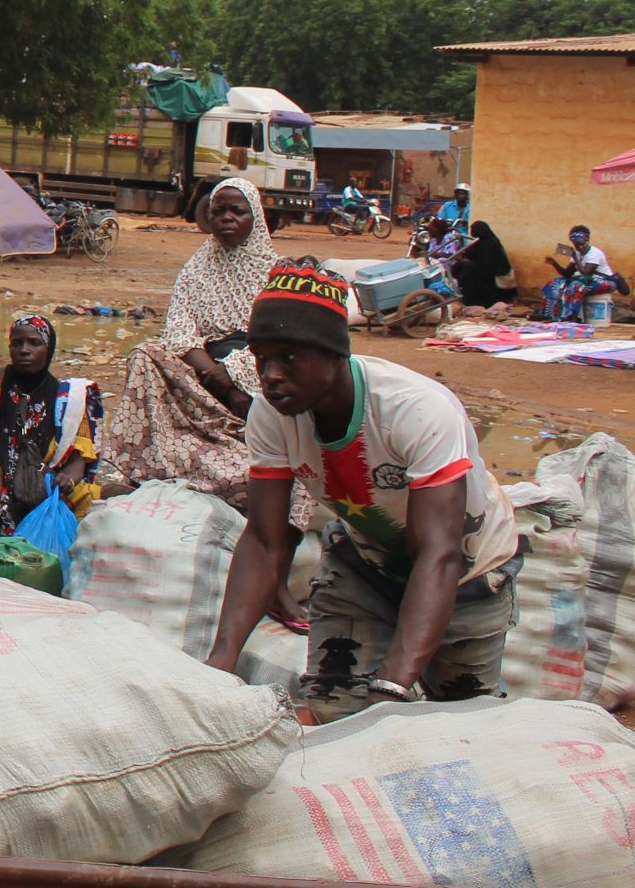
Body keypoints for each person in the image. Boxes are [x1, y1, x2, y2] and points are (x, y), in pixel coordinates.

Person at [206, 262, 520, 721]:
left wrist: (391, 687)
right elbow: (266, 541)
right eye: (261, 358)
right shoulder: (272, 416)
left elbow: (439, 554)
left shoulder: (414, 410)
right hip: (367, 565)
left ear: (335, 354)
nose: (270, 375)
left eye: (289, 357)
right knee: (335, 709)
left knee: (461, 719)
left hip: (466, 571)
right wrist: (220, 663)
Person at [109, 178, 319, 531]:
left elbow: (281, 338)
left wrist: (234, 375)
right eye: (218, 211)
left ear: (256, 218)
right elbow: (178, 331)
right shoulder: (195, 270)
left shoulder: (279, 273)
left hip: (257, 372)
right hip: (204, 374)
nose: (226, 218)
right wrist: (215, 376)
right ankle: (149, 461)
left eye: (237, 211)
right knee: (145, 354)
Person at [0, 313, 100, 567]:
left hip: (43, 481)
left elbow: (79, 458)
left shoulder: (67, 399)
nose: (24, 350)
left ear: (49, 348)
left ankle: (56, 566)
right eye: (17, 343)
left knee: (92, 498)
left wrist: (68, 479)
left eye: (34, 343)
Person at [541, 226, 618, 321]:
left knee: (576, 286)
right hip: (586, 280)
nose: (579, 247)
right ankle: (551, 314)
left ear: (587, 240)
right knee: (554, 283)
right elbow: (567, 274)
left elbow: (586, 272)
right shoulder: (577, 253)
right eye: (576, 244)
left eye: (581, 244)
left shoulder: (594, 253)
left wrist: (575, 257)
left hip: (605, 282)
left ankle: (571, 317)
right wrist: (554, 263)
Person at [448, 221, 516, 309]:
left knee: (469, 269)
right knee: (459, 266)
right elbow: (470, 254)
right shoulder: (478, 242)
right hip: (480, 269)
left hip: (492, 274)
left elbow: (487, 263)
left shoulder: (491, 243)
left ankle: (470, 299)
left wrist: (469, 262)